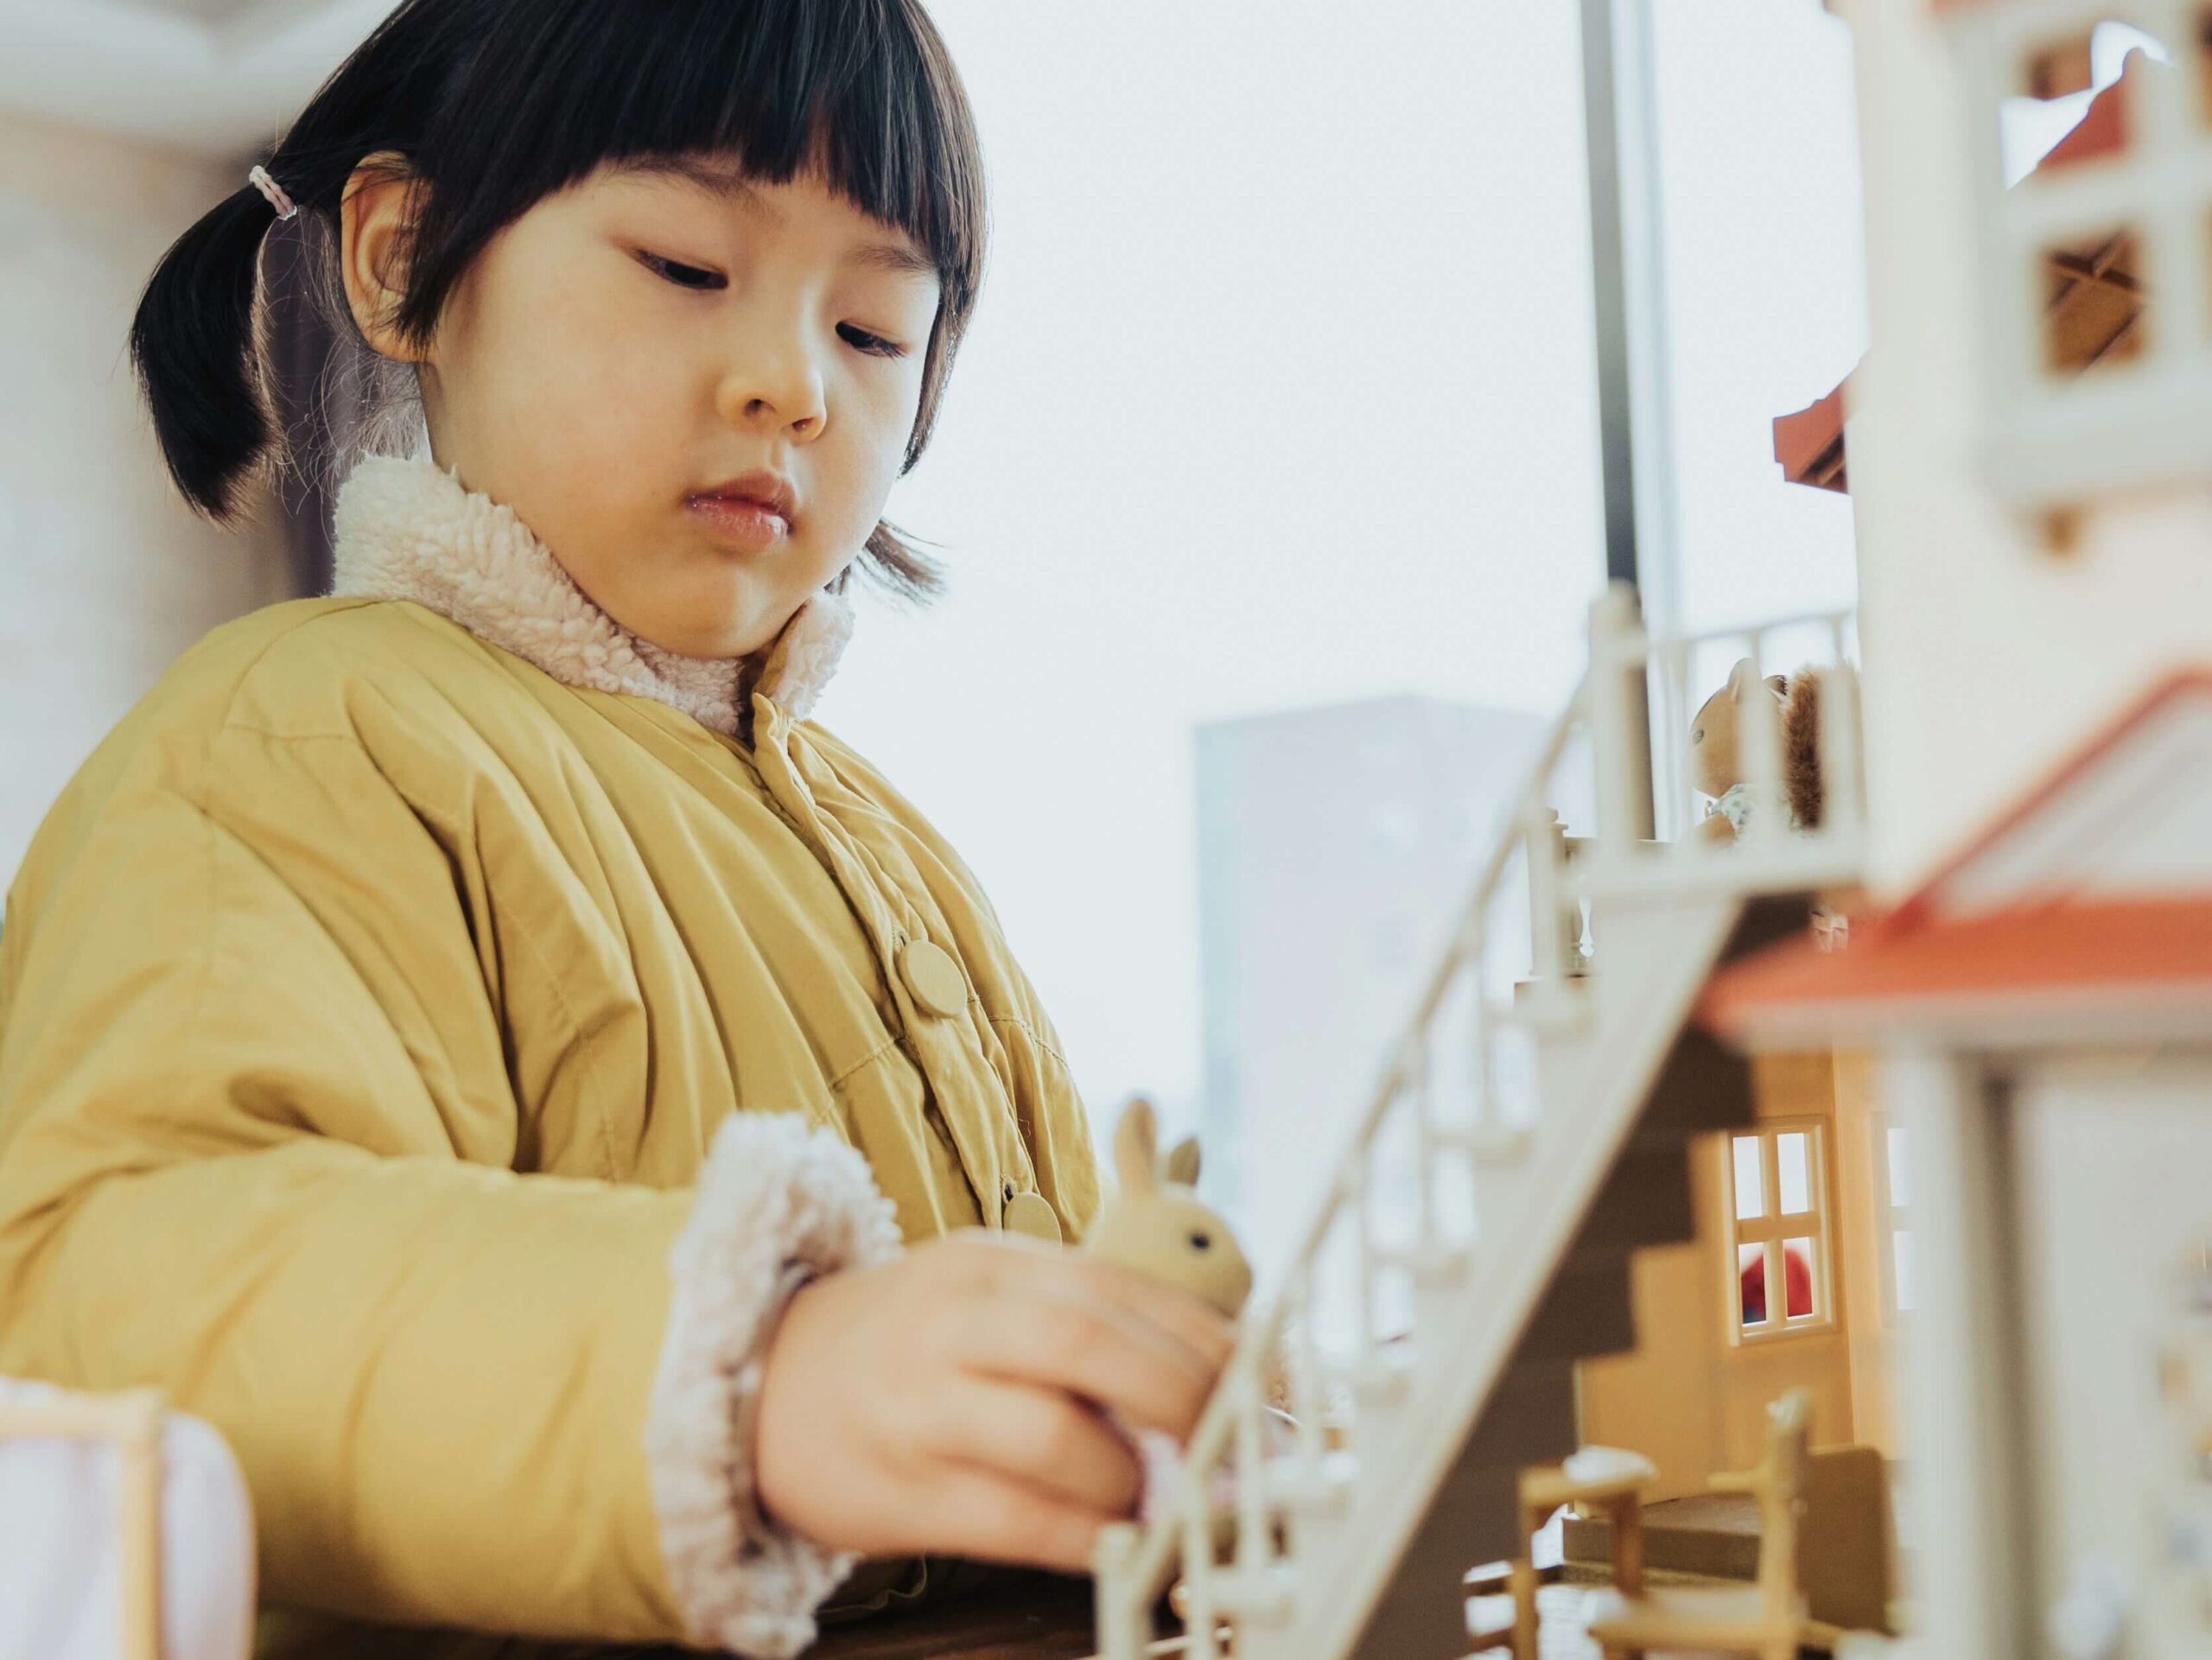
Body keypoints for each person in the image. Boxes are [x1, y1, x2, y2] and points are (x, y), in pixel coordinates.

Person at [0, 3, 1234, 1655]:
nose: (792, 386)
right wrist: (757, 1379)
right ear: (402, 259)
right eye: (683, 266)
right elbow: (124, 1280)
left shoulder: (900, 849)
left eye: (874, 332)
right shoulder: (298, 732)